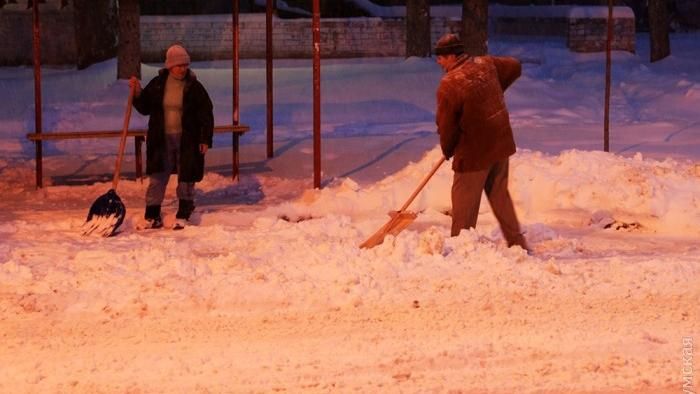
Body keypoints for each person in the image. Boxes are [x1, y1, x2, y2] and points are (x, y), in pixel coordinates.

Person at [434, 33, 529, 251]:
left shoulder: (450, 84)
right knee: (499, 196)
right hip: (500, 144)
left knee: (464, 203)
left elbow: (446, 125)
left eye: (440, 58)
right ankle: (517, 243)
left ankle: (460, 249)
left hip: (474, 153)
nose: (438, 62)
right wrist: (489, 92)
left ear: (450, 56)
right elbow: (514, 66)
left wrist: (448, 149)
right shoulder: (486, 65)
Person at [129, 44, 214, 230]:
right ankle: (152, 214)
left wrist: (205, 139)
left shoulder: (194, 87)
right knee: (158, 176)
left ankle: (184, 212)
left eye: (185, 65)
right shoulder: (158, 84)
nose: (182, 69)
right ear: (169, 66)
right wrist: (136, 92)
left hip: (188, 139)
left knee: (186, 176)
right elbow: (144, 107)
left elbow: (206, 113)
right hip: (161, 139)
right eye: (178, 65)